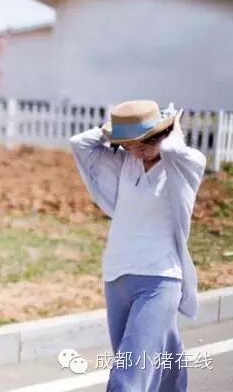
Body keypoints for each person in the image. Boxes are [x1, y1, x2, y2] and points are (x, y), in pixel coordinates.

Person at [69, 100, 206, 391]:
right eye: (129, 145)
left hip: (160, 278)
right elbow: (79, 143)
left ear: (162, 133)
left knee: (129, 376)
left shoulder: (185, 164)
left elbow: (173, 150)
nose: (137, 151)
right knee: (161, 364)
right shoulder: (124, 164)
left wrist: (172, 126)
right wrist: (115, 131)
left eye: (145, 142)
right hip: (117, 276)